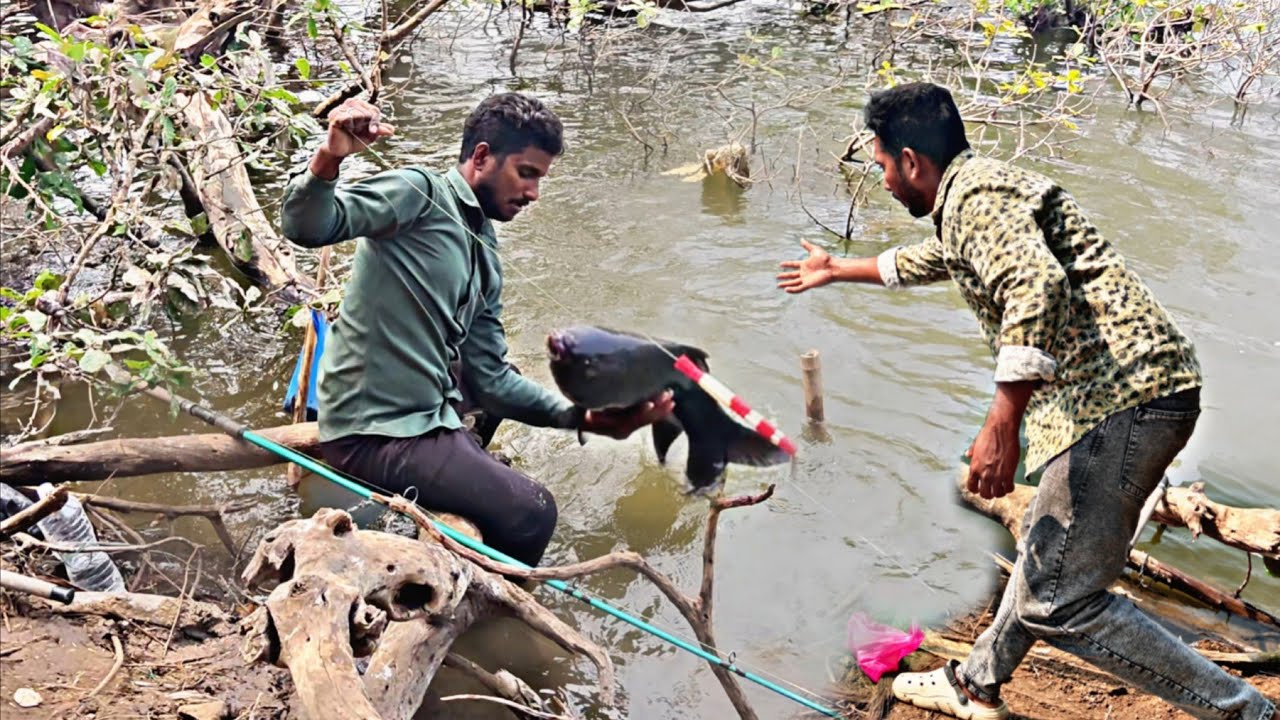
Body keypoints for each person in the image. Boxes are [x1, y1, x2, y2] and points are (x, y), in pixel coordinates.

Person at [776, 82, 1276, 720]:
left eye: (880, 166)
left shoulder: (974, 201)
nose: (882, 182)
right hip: (1133, 393)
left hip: (1122, 400)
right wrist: (837, 270)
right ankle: (976, 683)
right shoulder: (974, 193)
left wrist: (1001, 422)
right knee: (1046, 545)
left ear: (909, 161)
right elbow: (940, 259)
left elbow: (1034, 286)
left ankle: (1244, 711)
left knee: (1061, 602)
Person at [280, 93, 674, 567]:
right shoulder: (416, 193)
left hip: (424, 405)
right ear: (483, 157)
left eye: (540, 179)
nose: (533, 194)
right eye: (526, 173)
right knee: (533, 510)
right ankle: (489, 603)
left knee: (495, 386)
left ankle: (463, 480)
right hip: (373, 431)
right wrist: (331, 155)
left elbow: (492, 378)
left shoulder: (484, 250)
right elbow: (307, 225)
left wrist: (585, 416)